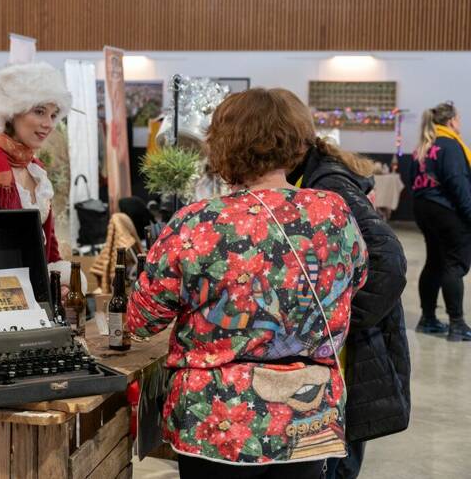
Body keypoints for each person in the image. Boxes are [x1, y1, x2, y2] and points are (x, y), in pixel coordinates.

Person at [128, 88, 367, 478]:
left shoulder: (200, 221)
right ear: (298, 142)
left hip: (219, 420)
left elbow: (142, 320)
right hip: (308, 413)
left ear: (222, 145)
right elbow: (356, 281)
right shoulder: (333, 212)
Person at [285, 91, 409, 478]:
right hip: (341, 356)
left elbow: (389, 263)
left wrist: (336, 325)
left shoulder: (329, 186)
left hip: (349, 359)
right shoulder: (314, 176)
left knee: (334, 465)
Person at [0, 62, 72, 264]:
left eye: (53, 115)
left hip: (37, 285)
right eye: (39, 111)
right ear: (11, 112)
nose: (48, 124)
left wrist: (60, 279)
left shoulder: (36, 169)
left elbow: (49, 244)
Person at [409, 101, 471, 341]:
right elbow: (458, 184)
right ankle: (457, 324)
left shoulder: (423, 146)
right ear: (452, 121)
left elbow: (411, 179)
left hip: (424, 208)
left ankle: (428, 319)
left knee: (435, 262)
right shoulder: (451, 145)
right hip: (446, 210)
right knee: (454, 265)